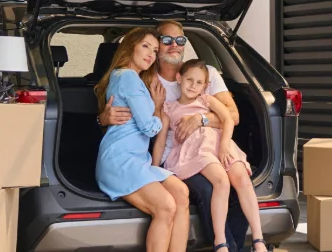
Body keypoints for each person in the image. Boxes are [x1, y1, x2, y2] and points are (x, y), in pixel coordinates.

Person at [99, 21, 251, 252]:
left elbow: (233, 115)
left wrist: (200, 119)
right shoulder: (144, 78)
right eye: (165, 41)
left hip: (204, 149)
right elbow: (143, 124)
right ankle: (224, 247)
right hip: (169, 156)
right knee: (199, 193)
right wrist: (103, 118)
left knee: (226, 187)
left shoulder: (206, 73)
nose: (173, 45)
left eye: (180, 40)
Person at [154, 60, 269, 252]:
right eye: (189, 80)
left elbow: (229, 119)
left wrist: (224, 146)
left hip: (219, 143)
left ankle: (258, 239)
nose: (193, 85)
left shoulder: (206, 100)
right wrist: (154, 168)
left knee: (243, 179)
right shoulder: (169, 108)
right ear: (179, 78)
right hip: (196, 150)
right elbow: (160, 140)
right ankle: (221, 241)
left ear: (205, 86)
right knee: (221, 181)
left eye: (199, 82)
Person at [94, 28, 190, 252]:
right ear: (130, 47)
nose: (151, 54)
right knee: (166, 207)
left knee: (181, 192)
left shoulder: (127, 77)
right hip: (120, 160)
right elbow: (149, 128)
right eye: (145, 46)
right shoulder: (127, 77)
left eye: (155, 50)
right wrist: (157, 108)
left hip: (138, 160)